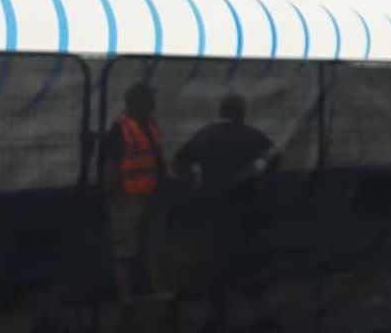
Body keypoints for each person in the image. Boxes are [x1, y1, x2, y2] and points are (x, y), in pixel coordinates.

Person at [174, 93, 279, 330]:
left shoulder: (207, 136)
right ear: (241, 112)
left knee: (215, 263)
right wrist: (259, 177)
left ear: (222, 111)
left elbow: (181, 159)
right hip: (246, 210)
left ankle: (215, 316)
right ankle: (261, 315)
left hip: (214, 209)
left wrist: (193, 182)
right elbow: (274, 156)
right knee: (250, 263)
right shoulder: (251, 136)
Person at [99, 82, 167, 303]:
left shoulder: (150, 126)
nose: (152, 103)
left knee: (154, 250)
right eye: (148, 98)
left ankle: (158, 296)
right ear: (136, 102)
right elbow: (111, 166)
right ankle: (127, 301)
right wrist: (116, 197)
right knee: (124, 253)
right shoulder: (121, 130)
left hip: (152, 197)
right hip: (128, 200)